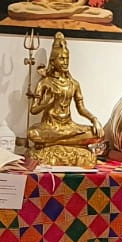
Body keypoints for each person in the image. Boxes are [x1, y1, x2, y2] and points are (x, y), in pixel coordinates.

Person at [26, 33, 105, 166]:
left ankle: (51, 143)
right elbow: (33, 110)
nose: (65, 62)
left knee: (97, 134)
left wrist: (94, 119)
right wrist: (45, 104)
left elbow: (81, 108)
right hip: (50, 127)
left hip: (68, 126)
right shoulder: (44, 83)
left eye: (67, 59)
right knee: (32, 133)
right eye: (61, 59)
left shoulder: (74, 83)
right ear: (53, 61)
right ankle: (61, 142)